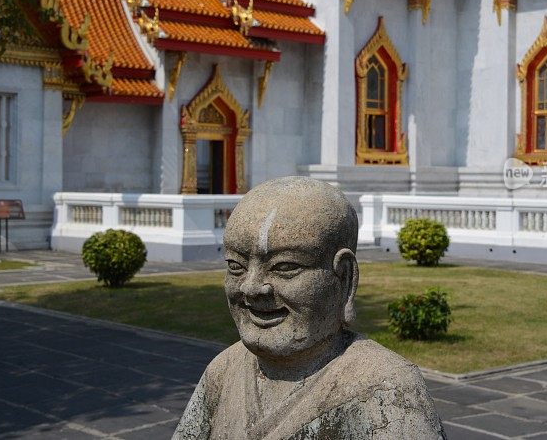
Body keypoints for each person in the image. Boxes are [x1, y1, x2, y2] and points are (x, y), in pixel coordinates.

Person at [173, 176, 445, 440]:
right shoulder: (224, 370)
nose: (251, 288)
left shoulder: (384, 389)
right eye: (236, 267)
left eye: (285, 267)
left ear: (344, 277)